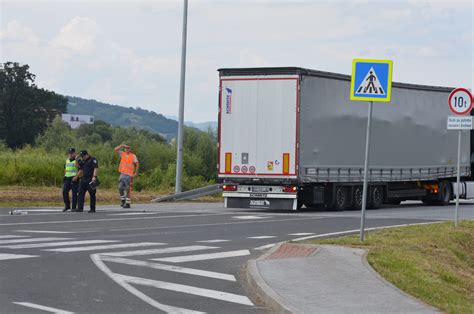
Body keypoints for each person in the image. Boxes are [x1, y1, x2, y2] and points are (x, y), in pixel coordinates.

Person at [114, 144, 139, 208]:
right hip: (122, 174)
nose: (127, 149)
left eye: (128, 148)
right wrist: (122, 145)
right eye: (126, 148)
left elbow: (137, 164)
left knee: (128, 189)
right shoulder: (122, 154)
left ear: (130, 149)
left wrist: (135, 172)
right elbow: (115, 149)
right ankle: (123, 200)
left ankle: (128, 203)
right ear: (125, 149)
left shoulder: (133, 156)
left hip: (129, 175)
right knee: (120, 187)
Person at [62, 148, 79, 212]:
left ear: (75, 153)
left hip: (74, 178)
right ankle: (67, 205)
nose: (70, 154)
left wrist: (77, 177)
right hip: (67, 178)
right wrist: (65, 175)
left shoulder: (77, 160)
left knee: (74, 193)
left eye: (72, 153)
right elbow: (65, 168)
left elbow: (80, 169)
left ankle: (74, 207)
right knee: (64, 191)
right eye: (70, 153)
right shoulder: (67, 160)